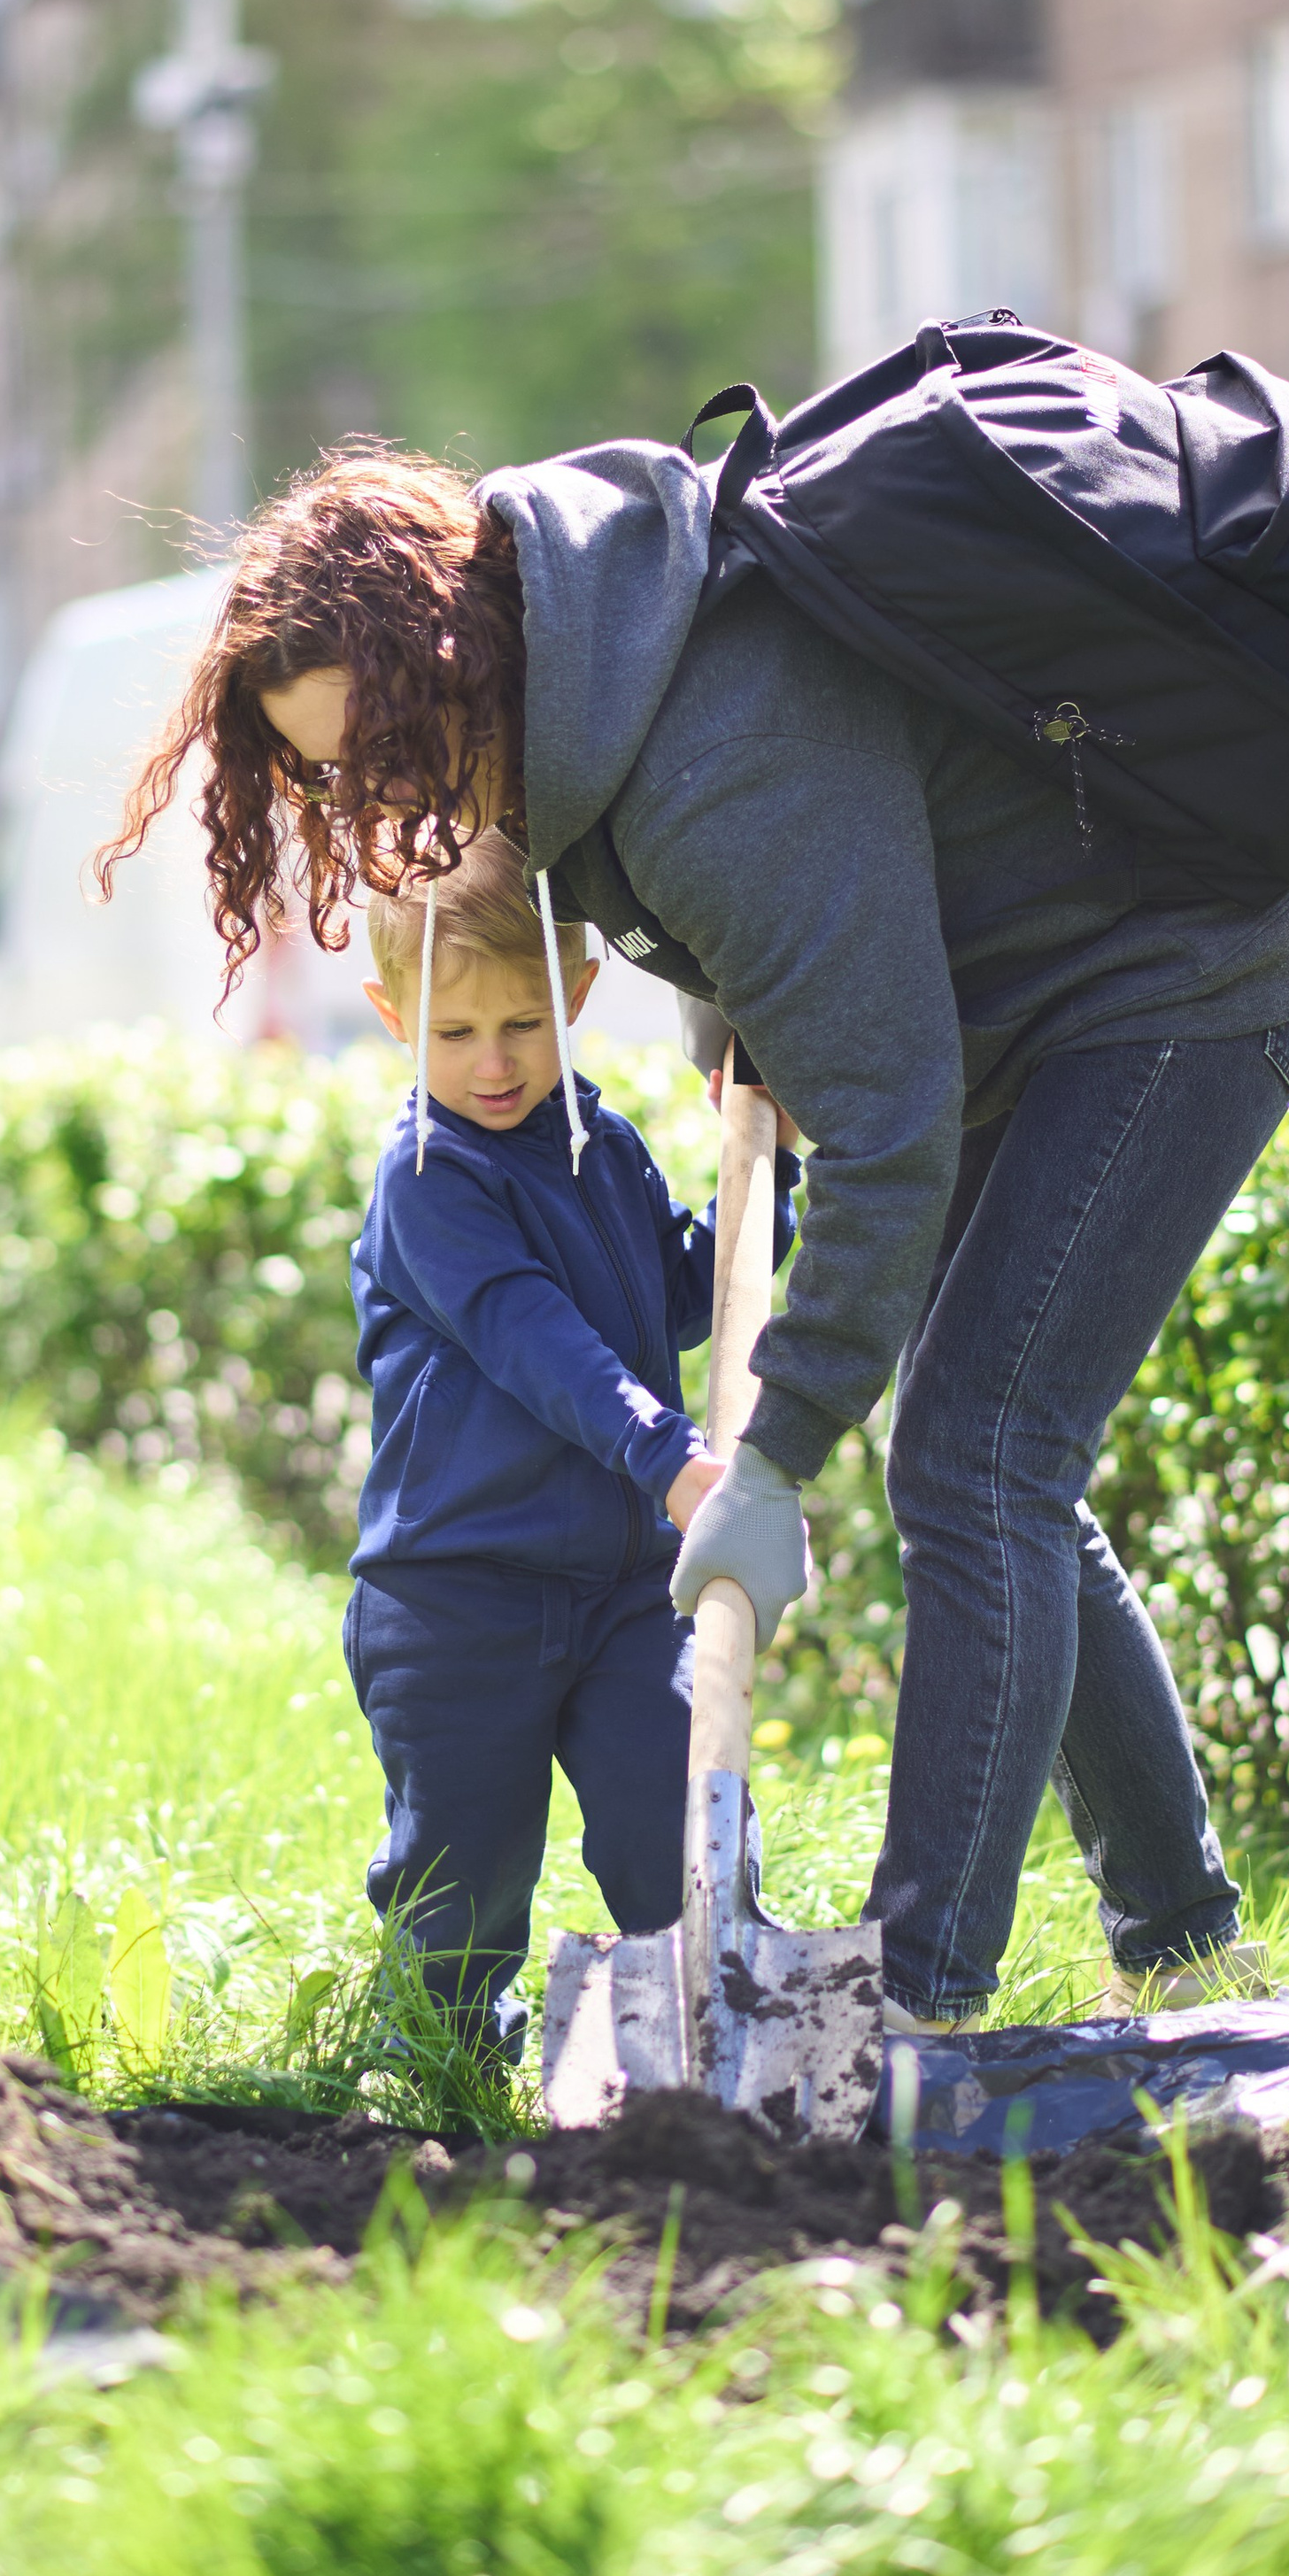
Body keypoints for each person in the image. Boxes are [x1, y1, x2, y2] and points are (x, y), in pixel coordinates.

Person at [105, 434, 1289, 2032]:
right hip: (1030, 1004)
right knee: (997, 1458)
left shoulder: (692, 753)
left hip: (1176, 984)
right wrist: (733, 1001)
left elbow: (884, 1131)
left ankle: (921, 1997)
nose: (384, 803)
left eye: (392, 750)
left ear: (458, 660)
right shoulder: (597, 666)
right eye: (342, 776)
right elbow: (769, 869)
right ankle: (1180, 1937)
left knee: (978, 1457)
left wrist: (768, 1458)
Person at [340, 829, 799, 2058]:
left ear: (579, 994)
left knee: (677, 1819)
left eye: (523, 1026)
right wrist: (669, 1459)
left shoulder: (604, 1148)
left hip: (618, 1594)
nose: (492, 1064)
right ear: (393, 1017)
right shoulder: (427, 1179)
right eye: (453, 1034)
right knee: (464, 1875)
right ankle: (439, 2067)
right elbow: (530, 1335)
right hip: (457, 1599)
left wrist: (769, 1182)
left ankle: (721, 2041)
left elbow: (687, 1295)